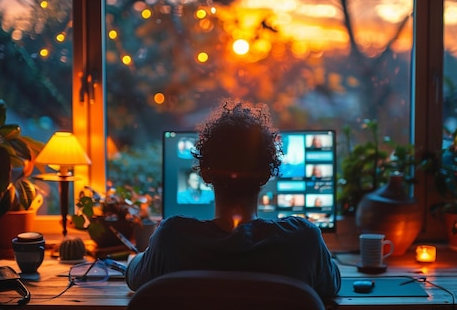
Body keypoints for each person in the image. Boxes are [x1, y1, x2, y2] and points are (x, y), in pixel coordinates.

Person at [126, 99, 341, 299]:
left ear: (205, 172)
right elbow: (332, 285)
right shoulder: (305, 241)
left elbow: (135, 278)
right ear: (267, 174)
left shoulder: (172, 240)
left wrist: (139, 256)